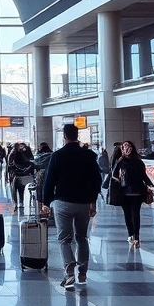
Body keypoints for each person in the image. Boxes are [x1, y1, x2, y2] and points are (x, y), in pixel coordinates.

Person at [40, 124, 101, 290]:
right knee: (82, 238)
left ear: (64, 136)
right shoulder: (88, 155)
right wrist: (93, 200)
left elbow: (49, 180)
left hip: (63, 203)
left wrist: (46, 202)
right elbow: (97, 180)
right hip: (83, 203)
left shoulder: (58, 155)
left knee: (64, 239)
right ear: (77, 135)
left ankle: (69, 274)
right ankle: (82, 272)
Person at [112, 140, 154, 247]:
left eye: (128, 146)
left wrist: (150, 186)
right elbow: (113, 174)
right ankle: (131, 235)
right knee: (128, 215)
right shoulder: (120, 161)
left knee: (135, 215)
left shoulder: (139, 162)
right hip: (124, 192)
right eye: (124, 147)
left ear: (132, 148)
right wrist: (120, 180)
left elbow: (143, 176)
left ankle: (136, 237)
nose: (127, 148)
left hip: (137, 192)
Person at [7, 141, 35, 212]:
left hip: (13, 175)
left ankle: (16, 203)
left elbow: (9, 166)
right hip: (18, 175)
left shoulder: (11, 154)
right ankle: (21, 202)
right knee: (20, 189)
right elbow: (25, 162)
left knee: (14, 190)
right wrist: (27, 169)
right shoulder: (18, 154)